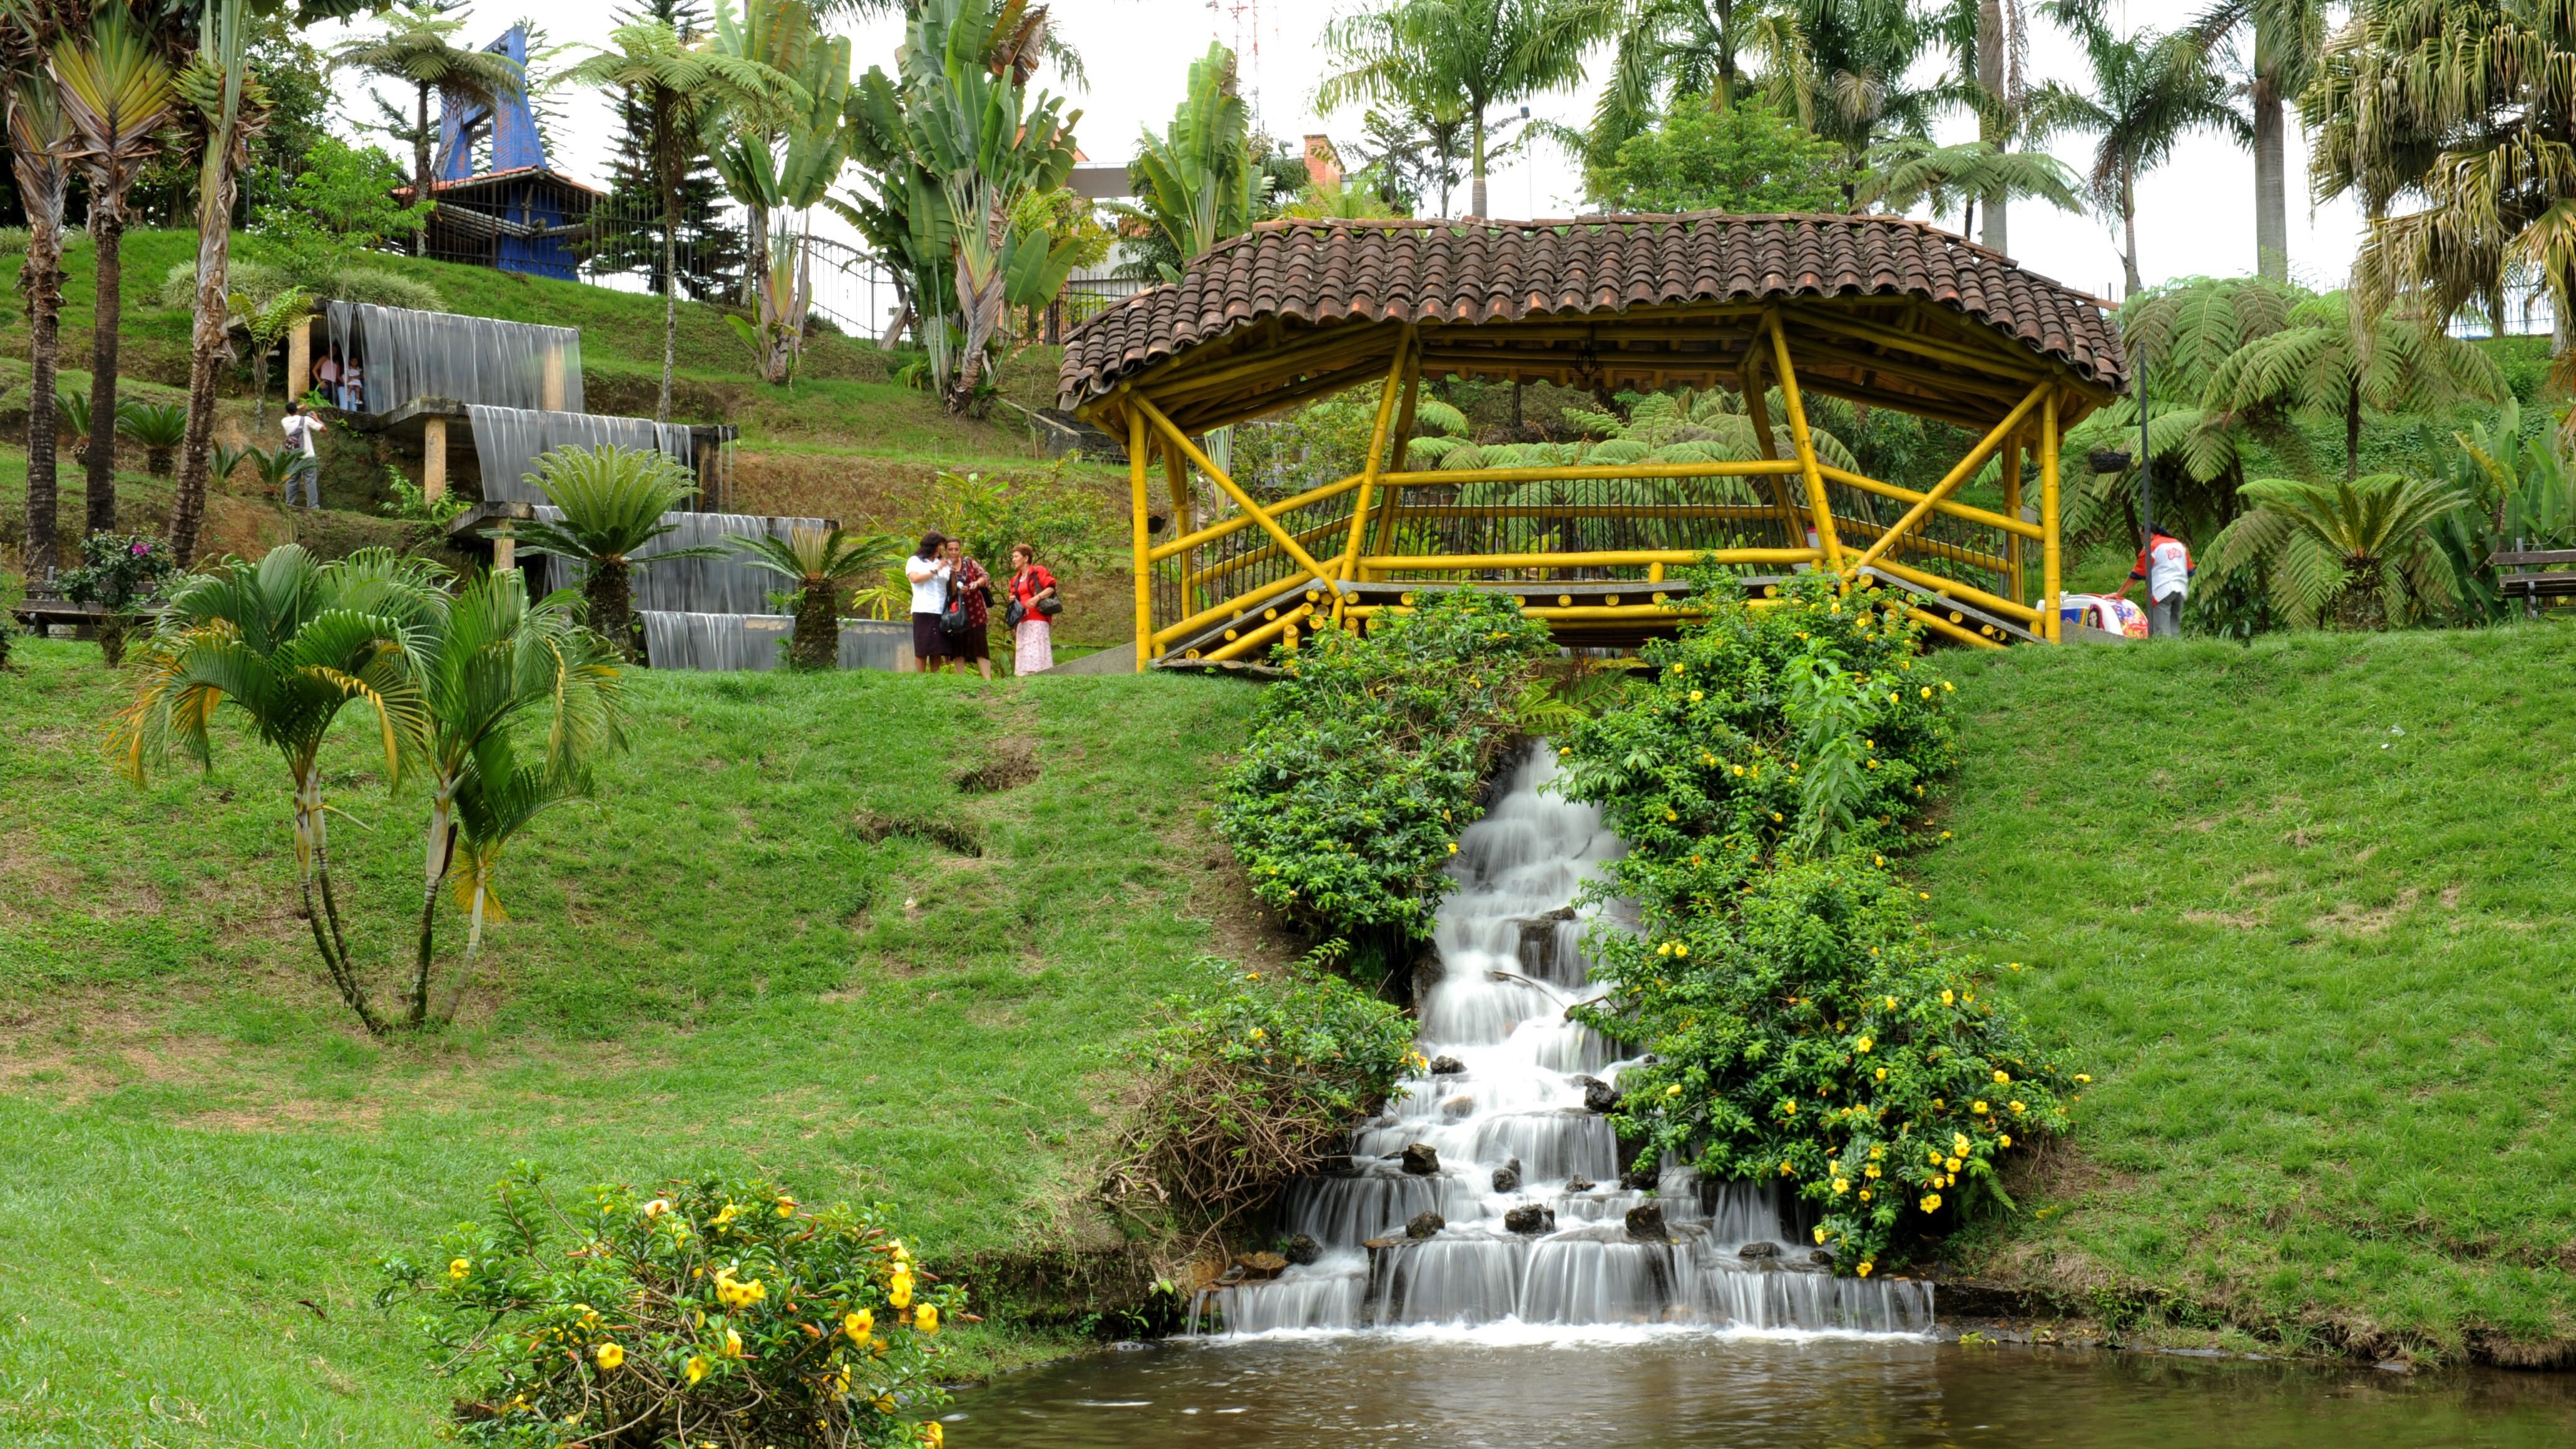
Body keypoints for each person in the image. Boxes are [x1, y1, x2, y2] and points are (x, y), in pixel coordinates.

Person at [2117, 524, 2194, 638]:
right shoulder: (2179, 545)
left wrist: (2119, 593)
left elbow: (2138, 574)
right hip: (2181, 590)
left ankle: (2163, 654)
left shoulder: (2152, 547)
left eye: (2142, 535)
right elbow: (2190, 571)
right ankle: (2176, 653)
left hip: (2161, 591)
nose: (2142, 539)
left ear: (2149, 534)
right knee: (2175, 630)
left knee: (2161, 632)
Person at [941, 536, 995, 681]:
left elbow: (985, 576)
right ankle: (961, 681)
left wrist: (976, 584)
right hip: (957, 613)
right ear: (946, 550)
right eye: (950, 549)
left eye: (956, 549)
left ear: (960, 549)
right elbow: (947, 590)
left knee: (980, 646)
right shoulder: (943, 566)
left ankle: (988, 680)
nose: (954, 552)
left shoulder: (969, 562)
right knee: (958, 648)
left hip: (975, 611)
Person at [1004, 542, 1058, 676]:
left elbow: (1051, 587)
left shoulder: (1038, 571)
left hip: (1038, 618)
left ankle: (1039, 676)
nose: (1014, 559)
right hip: (1022, 620)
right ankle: (1025, 679)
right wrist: (1012, 599)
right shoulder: (1015, 580)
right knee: (1025, 650)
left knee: (1036, 649)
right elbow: (1014, 596)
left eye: (1016, 556)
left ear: (1026, 558)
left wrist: (1036, 598)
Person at [904, 532, 952, 673]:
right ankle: (921, 676)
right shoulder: (915, 561)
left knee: (937, 646)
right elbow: (915, 578)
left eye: (941, 546)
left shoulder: (943, 562)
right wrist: (935, 571)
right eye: (937, 546)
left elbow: (950, 583)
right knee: (923, 645)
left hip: (940, 609)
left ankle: (934, 675)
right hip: (923, 608)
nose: (940, 549)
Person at [280, 401, 325, 510]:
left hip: (293, 455)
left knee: (292, 480)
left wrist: (297, 409)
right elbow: (324, 429)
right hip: (308, 455)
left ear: (287, 411)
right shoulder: (306, 420)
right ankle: (313, 506)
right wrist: (316, 418)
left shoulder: (284, 421)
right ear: (296, 410)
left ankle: (289, 504)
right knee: (310, 481)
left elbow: (289, 414)